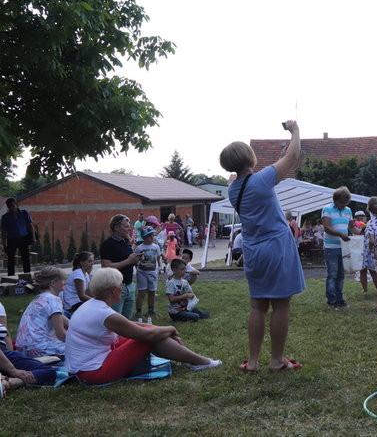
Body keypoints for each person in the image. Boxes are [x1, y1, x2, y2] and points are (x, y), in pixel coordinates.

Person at [221, 120, 305, 373]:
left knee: (257, 306)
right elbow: (292, 156)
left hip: (253, 249)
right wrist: (295, 131)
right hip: (276, 247)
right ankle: (277, 360)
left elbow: (243, 180)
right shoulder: (262, 180)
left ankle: (254, 361)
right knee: (281, 305)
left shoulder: (232, 190)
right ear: (250, 158)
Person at [64, 268, 220, 384]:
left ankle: (191, 359)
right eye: (121, 285)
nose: (123, 288)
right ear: (113, 290)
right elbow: (148, 336)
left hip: (83, 367)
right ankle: (200, 362)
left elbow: (130, 325)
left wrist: (155, 328)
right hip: (93, 373)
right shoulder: (104, 313)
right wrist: (170, 329)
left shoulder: (93, 305)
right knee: (149, 338)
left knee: (151, 332)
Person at [15, 267, 69, 358]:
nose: (65, 282)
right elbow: (61, 334)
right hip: (40, 349)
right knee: (84, 350)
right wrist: (81, 340)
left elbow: (66, 321)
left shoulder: (39, 299)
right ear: (53, 283)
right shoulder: (54, 300)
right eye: (63, 280)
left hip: (23, 348)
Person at [1, 301, 56, 389]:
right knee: (48, 372)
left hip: (6, 354)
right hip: (3, 354)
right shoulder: (52, 301)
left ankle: (7, 381)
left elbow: (6, 335)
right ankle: (9, 383)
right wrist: (12, 370)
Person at [321, 186, 356, 310]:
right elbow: (326, 227)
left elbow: (351, 227)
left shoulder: (348, 210)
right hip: (331, 246)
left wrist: (359, 233)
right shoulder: (327, 209)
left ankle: (340, 299)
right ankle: (332, 300)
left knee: (341, 274)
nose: (344, 205)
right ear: (335, 200)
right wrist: (341, 234)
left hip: (344, 247)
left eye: (346, 202)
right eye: (341, 202)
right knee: (332, 274)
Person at [99, 214, 140, 319]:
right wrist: (129, 261)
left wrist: (135, 259)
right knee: (116, 320)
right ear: (116, 228)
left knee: (127, 320)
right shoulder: (107, 244)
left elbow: (128, 260)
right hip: (116, 287)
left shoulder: (126, 242)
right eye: (126, 226)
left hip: (130, 285)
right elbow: (106, 267)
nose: (129, 229)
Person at [1, 198, 37, 276]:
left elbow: (31, 226)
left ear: (16, 204)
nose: (11, 208)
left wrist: (33, 238)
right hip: (11, 240)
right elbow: (3, 232)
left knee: (25, 259)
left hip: (23, 239)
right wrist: (4, 245)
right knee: (11, 260)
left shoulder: (24, 213)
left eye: (13, 206)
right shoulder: (5, 217)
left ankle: (27, 276)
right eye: (9, 207)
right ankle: (10, 277)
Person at [134, 227, 162, 320]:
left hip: (153, 272)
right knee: (142, 292)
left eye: (152, 235)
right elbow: (136, 259)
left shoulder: (156, 247)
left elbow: (158, 258)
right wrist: (137, 268)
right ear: (144, 237)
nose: (151, 238)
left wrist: (160, 267)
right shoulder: (139, 248)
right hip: (142, 272)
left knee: (152, 292)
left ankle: (151, 309)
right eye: (149, 236)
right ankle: (138, 311)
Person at [353, 211, 377, 294]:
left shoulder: (369, 224)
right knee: (362, 270)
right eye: (358, 217)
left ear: (366, 217)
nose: (360, 218)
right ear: (355, 218)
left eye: (362, 216)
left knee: (373, 271)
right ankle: (365, 290)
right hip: (360, 251)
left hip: (369, 250)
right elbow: (358, 227)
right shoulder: (355, 224)